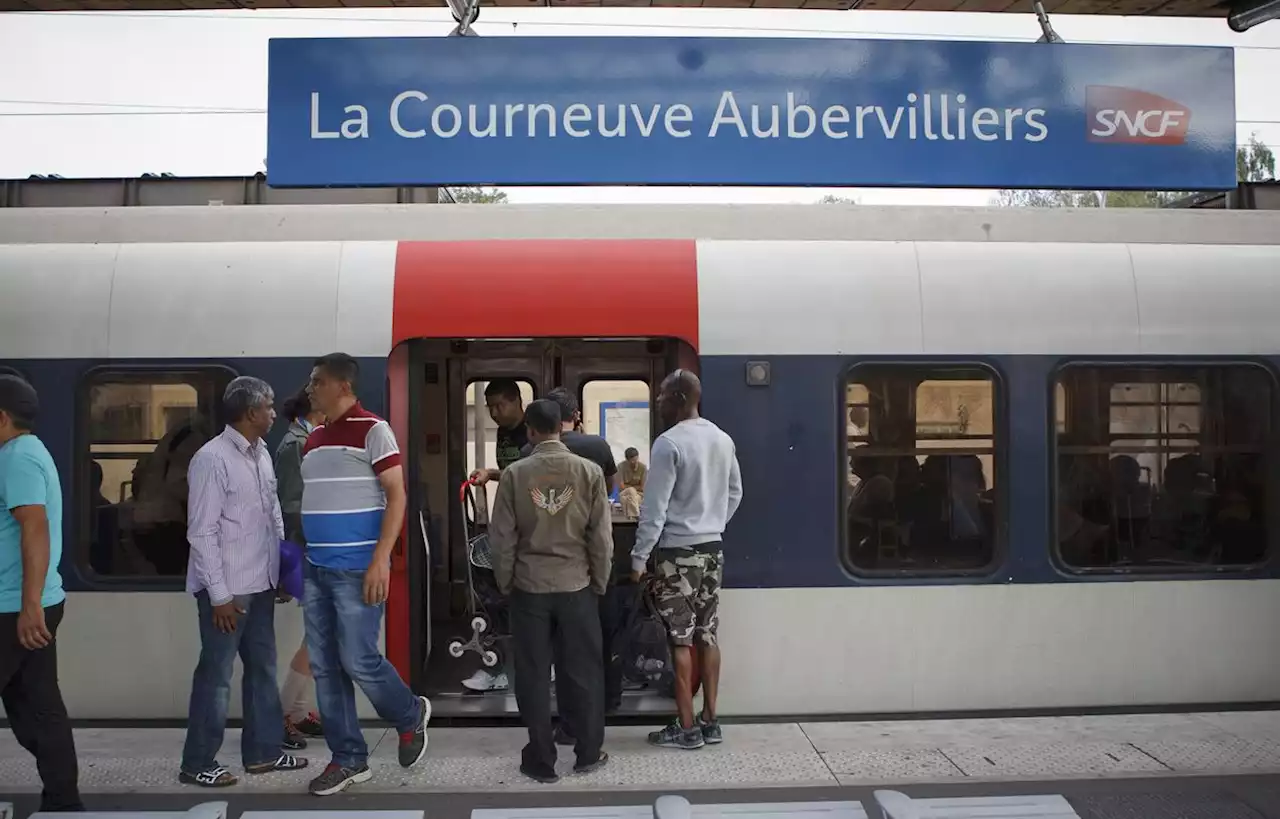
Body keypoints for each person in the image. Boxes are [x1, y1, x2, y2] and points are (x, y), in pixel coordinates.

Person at [301, 353, 430, 796]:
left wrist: (381, 560)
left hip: (358, 569)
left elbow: (397, 497)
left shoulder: (374, 430)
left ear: (343, 386)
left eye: (317, 381)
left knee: (358, 659)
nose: (310, 388)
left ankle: (409, 714)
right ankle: (348, 758)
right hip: (316, 570)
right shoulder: (313, 438)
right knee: (324, 668)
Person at [181, 376, 308, 788]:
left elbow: (272, 517)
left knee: (261, 669)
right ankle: (198, 761)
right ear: (251, 412)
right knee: (216, 675)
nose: (275, 413)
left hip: (261, 583)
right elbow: (201, 533)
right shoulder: (212, 459)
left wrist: (281, 571)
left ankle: (263, 753)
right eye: (269, 407)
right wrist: (218, 595)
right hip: (228, 589)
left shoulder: (262, 455)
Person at [489, 399, 613, 784]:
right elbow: (602, 540)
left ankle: (541, 760)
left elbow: (501, 539)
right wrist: (599, 581)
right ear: (562, 427)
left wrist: (505, 580)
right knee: (584, 672)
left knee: (533, 675)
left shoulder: (514, 475)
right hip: (576, 586)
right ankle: (588, 754)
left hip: (529, 588)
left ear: (529, 431)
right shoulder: (589, 472)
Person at [630, 370, 742, 750]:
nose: (658, 400)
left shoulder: (668, 443)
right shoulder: (722, 439)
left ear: (677, 397)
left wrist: (639, 556)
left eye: (662, 394)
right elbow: (735, 492)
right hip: (713, 551)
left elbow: (654, 509)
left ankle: (686, 727)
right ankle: (711, 721)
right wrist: (711, 524)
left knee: (680, 641)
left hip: (677, 555)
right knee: (708, 635)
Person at [0, 375, 83, 812]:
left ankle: (64, 799)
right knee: (37, 708)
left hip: (14, 605)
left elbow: (35, 525)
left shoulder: (16, 458)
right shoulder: (27, 452)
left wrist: (29, 606)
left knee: (37, 709)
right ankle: (63, 801)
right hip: (26, 601)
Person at [462, 378, 528, 693]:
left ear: (517, 401)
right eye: (490, 408)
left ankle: (534, 665)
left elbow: (529, 472)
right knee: (494, 599)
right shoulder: (503, 432)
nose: (495, 414)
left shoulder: (533, 430)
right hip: (507, 523)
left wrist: (493, 473)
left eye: (500, 405)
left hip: (529, 529)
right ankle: (498, 664)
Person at [274, 386, 325, 745]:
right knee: (317, 637)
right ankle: (283, 714)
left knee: (318, 636)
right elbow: (293, 505)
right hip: (308, 550)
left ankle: (297, 710)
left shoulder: (305, 440)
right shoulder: (295, 445)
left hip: (311, 549)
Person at [618, 448, 647, 518]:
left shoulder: (643, 467)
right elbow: (621, 486)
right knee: (631, 490)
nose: (635, 463)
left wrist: (628, 486)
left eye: (636, 460)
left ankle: (630, 518)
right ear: (627, 460)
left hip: (639, 495)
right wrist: (633, 488)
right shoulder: (620, 467)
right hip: (624, 492)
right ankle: (636, 515)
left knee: (625, 499)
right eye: (633, 461)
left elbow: (642, 487)